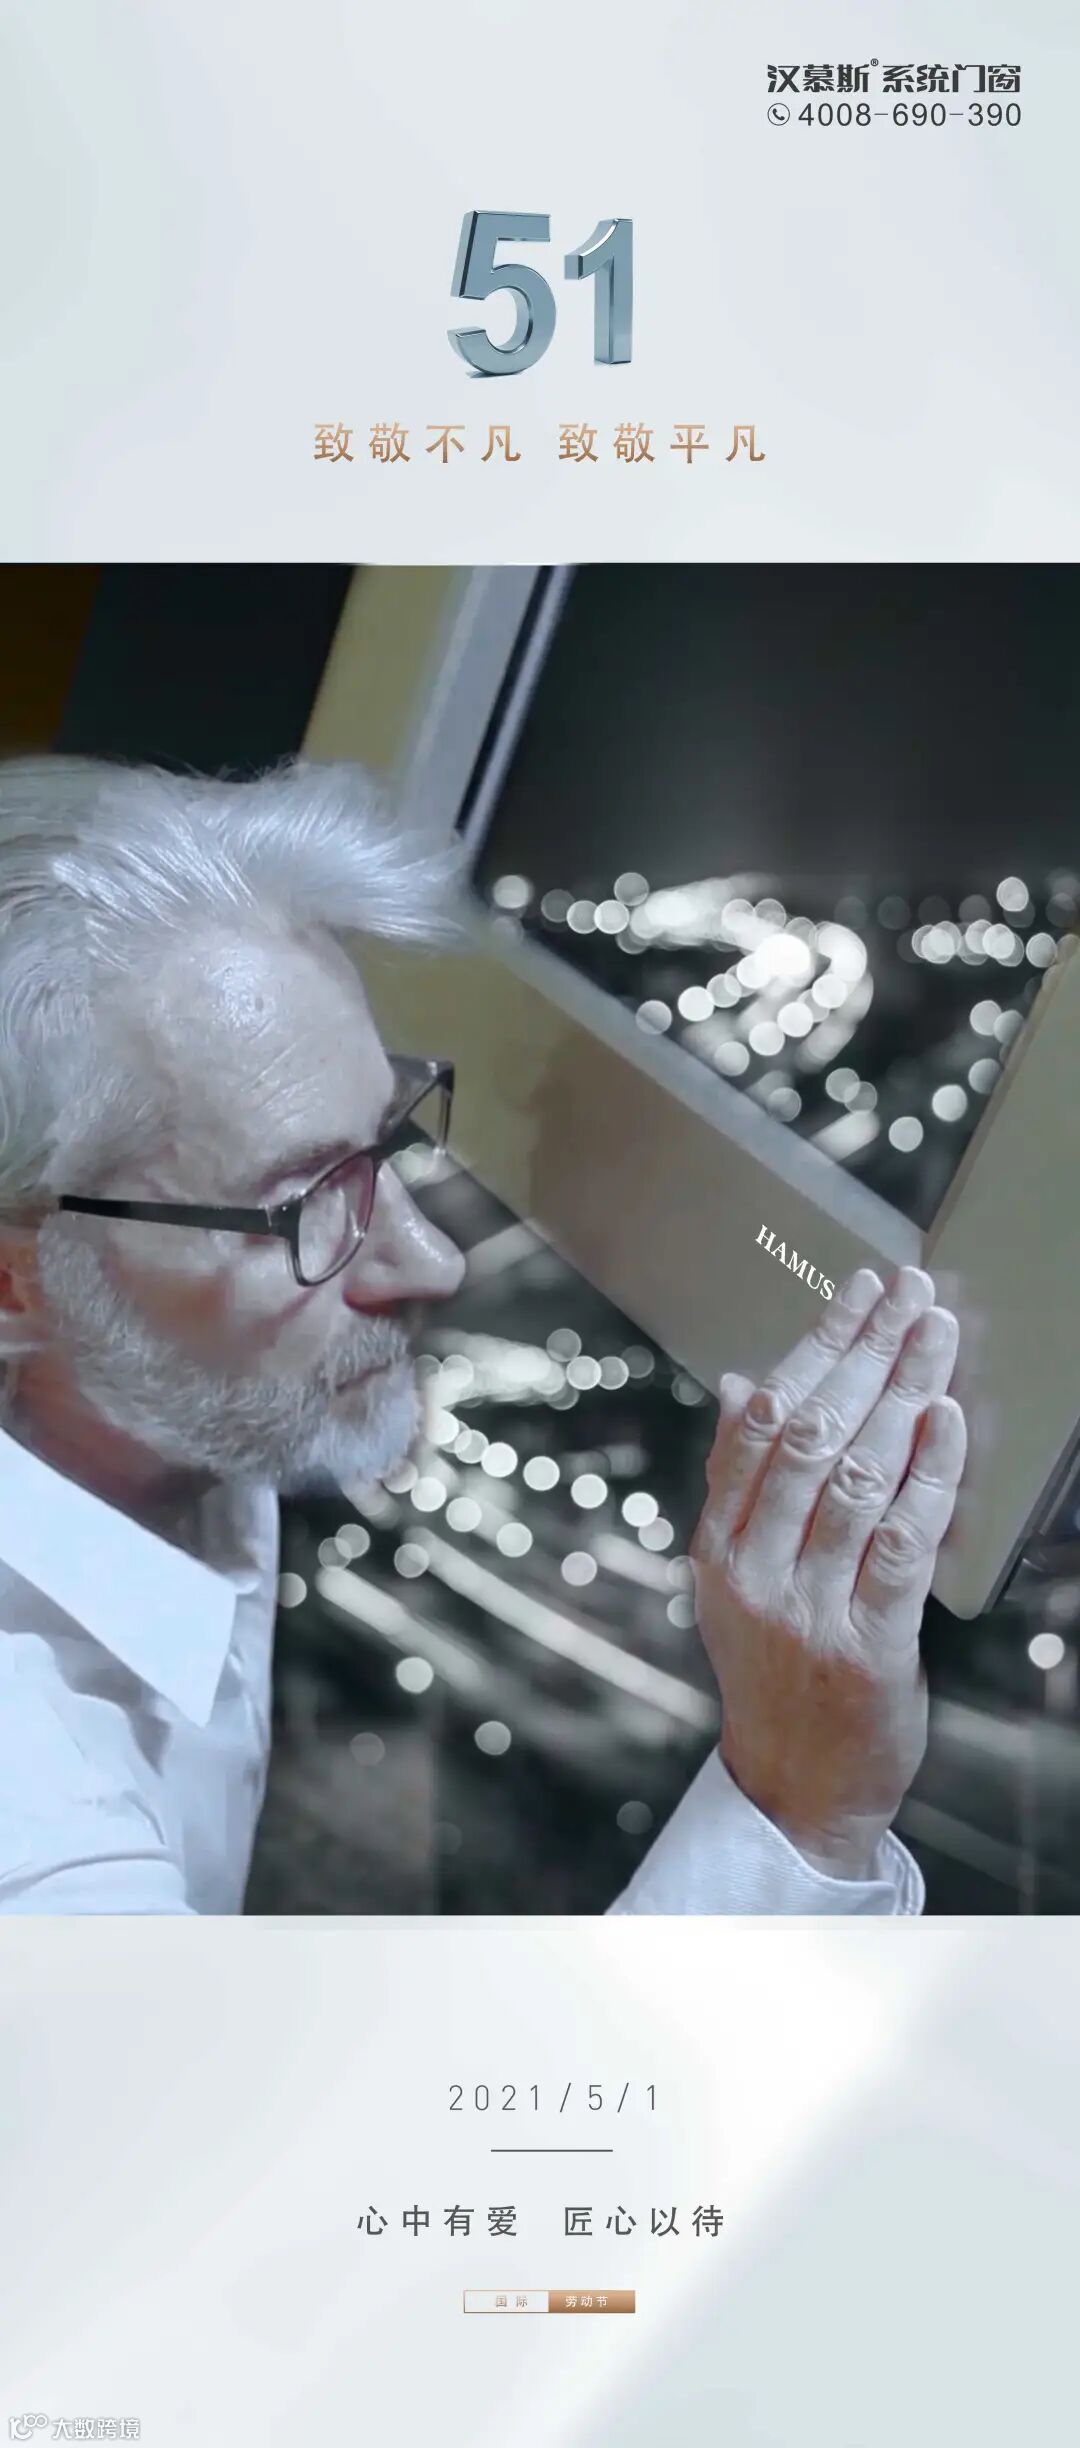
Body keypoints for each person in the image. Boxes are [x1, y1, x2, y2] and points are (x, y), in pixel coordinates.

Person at [0, 754, 965, 1915]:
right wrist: (802, 1801)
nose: (431, 1260)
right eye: (304, 1206)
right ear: (13, 1282)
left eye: (389, 1139)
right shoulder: (37, 1833)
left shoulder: (153, 1428)